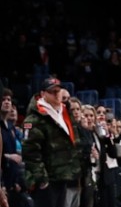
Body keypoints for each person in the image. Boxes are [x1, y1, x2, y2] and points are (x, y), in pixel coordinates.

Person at [22, 78, 83, 207]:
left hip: (64, 175)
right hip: (48, 179)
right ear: (43, 94)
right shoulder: (34, 118)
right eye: (52, 91)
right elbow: (30, 152)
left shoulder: (65, 112)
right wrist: (42, 178)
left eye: (58, 90)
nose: (56, 94)